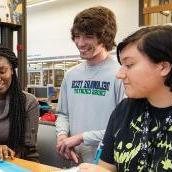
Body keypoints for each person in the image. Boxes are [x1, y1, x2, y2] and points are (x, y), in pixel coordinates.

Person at [80, 25, 172, 171]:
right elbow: (107, 166)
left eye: (129, 65)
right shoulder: (124, 110)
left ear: (164, 67)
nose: (120, 74)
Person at [55, 6, 125, 164]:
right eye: (77, 36)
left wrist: (81, 138)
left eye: (88, 36)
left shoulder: (120, 74)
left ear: (105, 37)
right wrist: (62, 137)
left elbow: (122, 127)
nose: (80, 43)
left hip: (108, 163)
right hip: (75, 161)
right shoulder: (71, 75)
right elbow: (63, 114)